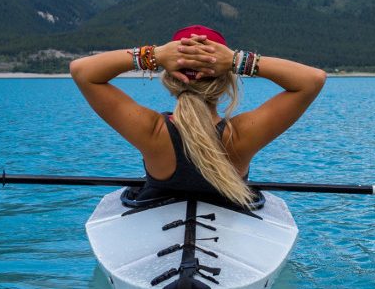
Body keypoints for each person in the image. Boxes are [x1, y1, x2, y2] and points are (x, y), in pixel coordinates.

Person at [69, 25, 326, 207]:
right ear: (226, 80)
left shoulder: (151, 132)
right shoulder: (241, 136)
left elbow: (82, 71)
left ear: (170, 78)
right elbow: (312, 79)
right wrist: (237, 59)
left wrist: (154, 55)